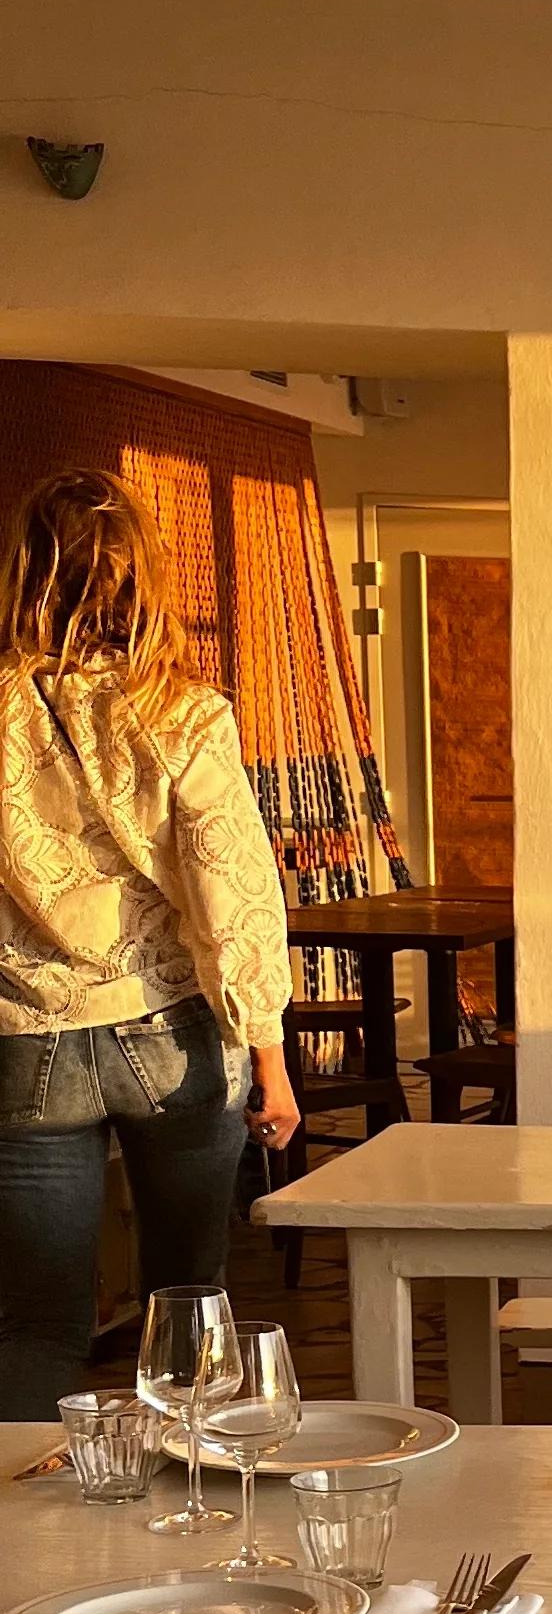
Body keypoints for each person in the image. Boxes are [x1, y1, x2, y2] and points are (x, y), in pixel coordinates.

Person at [0, 465, 300, 1417]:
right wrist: (270, 1049)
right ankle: (202, 1506)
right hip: (173, 1033)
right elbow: (231, 889)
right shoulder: (184, 713)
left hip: (23, 1039)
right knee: (190, 1298)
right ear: (144, 581)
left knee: (34, 1321)